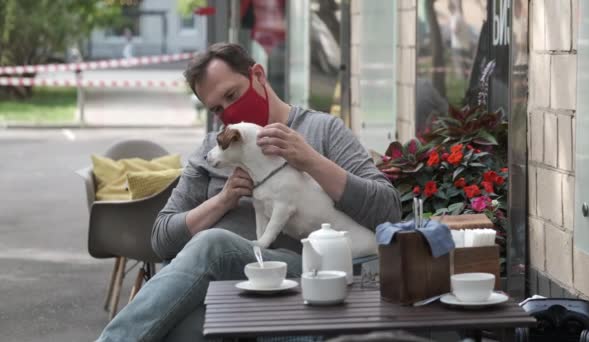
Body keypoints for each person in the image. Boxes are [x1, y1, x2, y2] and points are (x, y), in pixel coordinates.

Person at [96, 43, 401, 342]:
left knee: (213, 244)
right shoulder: (214, 150)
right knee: (185, 328)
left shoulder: (322, 131)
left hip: (300, 272)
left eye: (232, 95)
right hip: (220, 288)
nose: (228, 112)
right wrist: (222, 201)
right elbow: (161, 238)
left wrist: (311, 160)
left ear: (258, 75)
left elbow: (387, 209)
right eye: (217, 108)